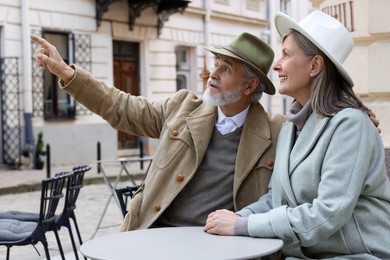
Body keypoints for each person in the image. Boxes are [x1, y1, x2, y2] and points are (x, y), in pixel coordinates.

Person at [31, 32, 286, 230]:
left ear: (250, 85)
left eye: (226, 68)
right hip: (154, 232)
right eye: (216, 63)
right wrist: (65, 72)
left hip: (219, 246)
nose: (213, 74)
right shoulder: (183, 107)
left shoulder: (276, 132)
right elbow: (122, 107)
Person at [204, 10, 390, 259]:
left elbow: (328, 213)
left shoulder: (351, 124)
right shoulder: (291, 127)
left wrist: (243, 226)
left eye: (286, 54)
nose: (276, 65)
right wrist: (236, 218)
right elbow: (275, 200)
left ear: (315, 65)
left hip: (358, 254)